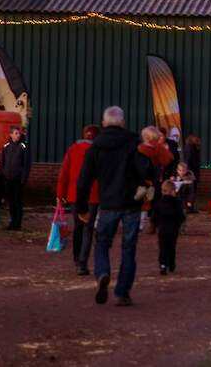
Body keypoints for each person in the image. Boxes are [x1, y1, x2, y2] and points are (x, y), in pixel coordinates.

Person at [76, 107, 150, 307]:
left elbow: (83, 180)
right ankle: (122, 292)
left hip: (107, 203)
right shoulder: (134, 142)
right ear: (123, 122)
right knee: (128, 248)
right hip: (131, 203)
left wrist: (81, 208)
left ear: (103, 123)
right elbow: (144, 170)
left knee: (102, 243)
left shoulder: (96, 146)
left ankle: (102, 272)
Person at [56, 124, 101, 275]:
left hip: (75, 194)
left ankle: (76, 258)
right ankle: (82, 263)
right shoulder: (99, 151)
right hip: (93, 195)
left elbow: (64, 173)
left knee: (78, 227)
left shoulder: (73, 149)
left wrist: (60, 194)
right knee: (88, 229)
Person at [139, 126, 175, 231]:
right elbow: (169, 159)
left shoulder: (140, 147)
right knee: (149, 202)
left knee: (144, 201)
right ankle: (149, 223)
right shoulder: (158, 148)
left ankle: (145, 224)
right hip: (152, 178)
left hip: (145, 179)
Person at [152, 180, 185, 276]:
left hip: (162, 229)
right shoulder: (177, 203)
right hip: (173, 229)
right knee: (171, 247)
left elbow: (154, 217)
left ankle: (163, 264)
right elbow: (180, 216)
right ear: (173, 191)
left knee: (162, 247)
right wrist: (179, 223)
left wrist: (155, 225)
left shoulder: (158, 202)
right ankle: (171, 264)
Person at [1, 126, 31, 231]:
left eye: (19, 133)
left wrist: (24, 178)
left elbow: (27, 164)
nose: (18, 135)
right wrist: (3, 174)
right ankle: (12, 222)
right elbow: (2, 162)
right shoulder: (6, 146)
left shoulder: (23, 147)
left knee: (18, 201)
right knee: (11, 201)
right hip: (8, 178)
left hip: (18, 179)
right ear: (11, 134)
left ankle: (18, 224)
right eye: (16, 133)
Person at [182, 135, 201, 213]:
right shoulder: (190, 149)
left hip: (192, 171)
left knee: (191, 191)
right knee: (191, 191)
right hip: (191, 172)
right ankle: (189, 207)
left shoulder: (191, 148)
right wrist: (189, 172)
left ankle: (189, 207)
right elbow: (189, 161)